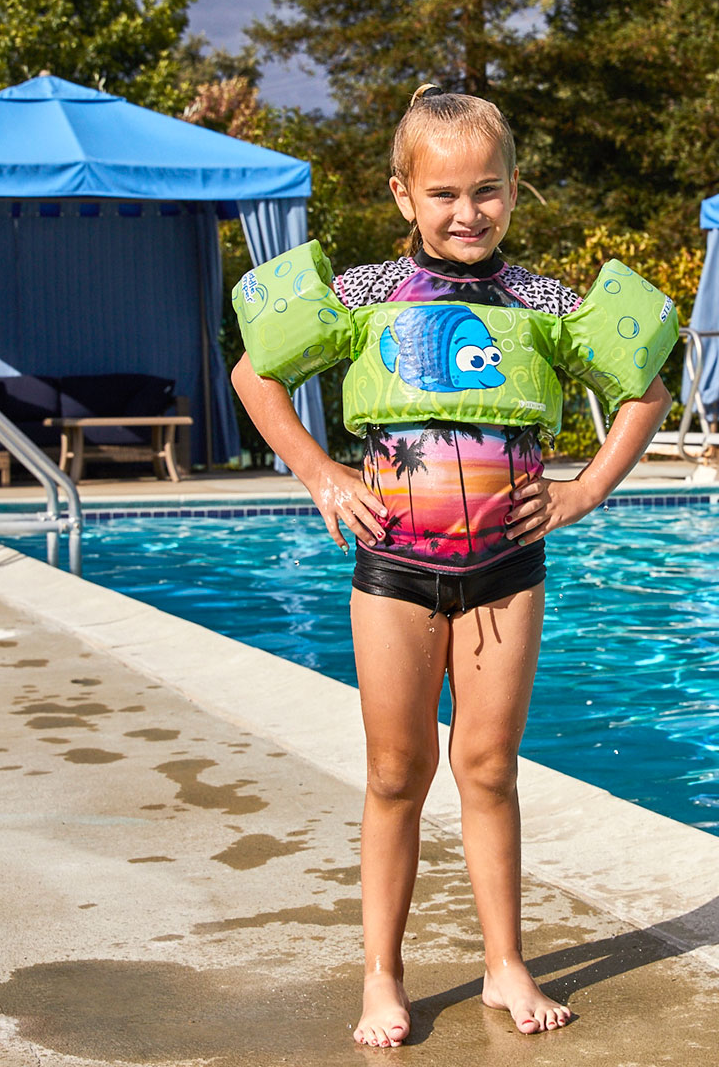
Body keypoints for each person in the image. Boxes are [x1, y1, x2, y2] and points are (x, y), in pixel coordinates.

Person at [229, 85, 675, 1047]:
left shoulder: (543, 301)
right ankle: (381, 975)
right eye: (444, 195)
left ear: (515, 190)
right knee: (396, 773)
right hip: (393, 566)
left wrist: (585, 489)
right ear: (403, 194)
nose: (467, 213)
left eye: (488, 191)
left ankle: (504, 962)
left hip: (507, 567)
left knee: (488, 765)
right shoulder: (360, 297)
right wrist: (319, 472)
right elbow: (254, 375)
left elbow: (648, 385)